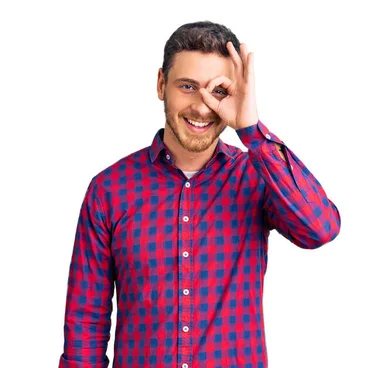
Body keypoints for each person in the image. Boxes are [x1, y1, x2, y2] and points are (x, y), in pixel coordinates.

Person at [58, 20, 341, 368]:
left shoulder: (256, 176)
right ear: (161, 84)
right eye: (188, 86)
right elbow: (86, 324)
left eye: (218, 90)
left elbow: (319, 229)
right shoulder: (109, 191)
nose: (203, 106)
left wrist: (252, 131)